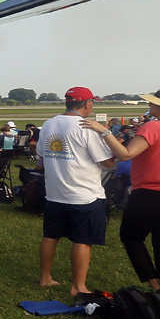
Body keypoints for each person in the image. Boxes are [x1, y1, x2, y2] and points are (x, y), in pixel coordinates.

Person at [79, 85, 160, 310]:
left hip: (149, 193)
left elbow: (126, 154)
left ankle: (157, 288)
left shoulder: (154, 127)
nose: (149, 104)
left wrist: (103, 131)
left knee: (131, 238)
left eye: (153, 101)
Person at [37, 87, 115, 302]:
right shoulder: (86, 127)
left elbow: (43, 155)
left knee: (50, 235)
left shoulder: (49, 124)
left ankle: (45, 277)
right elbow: (107, 161)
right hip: (84, 195)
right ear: (87, 104)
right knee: (82, 240)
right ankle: (78, 286)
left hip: (54, 193)